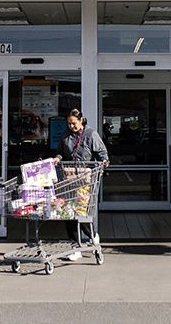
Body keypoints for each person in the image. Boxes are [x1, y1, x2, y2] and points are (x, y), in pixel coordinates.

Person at [56, 108, 109, 261]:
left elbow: (102, 154)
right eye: (69, 124)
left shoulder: (90, 134)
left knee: (80, 212)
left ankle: (92, 236)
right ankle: (75, 246)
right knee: (68, 212)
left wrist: (103, 162)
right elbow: (60, 153)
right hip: (68, 179)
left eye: (74, 123)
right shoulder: (65, 136)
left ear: (81, 121)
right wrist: (57, 158)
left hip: (86, 179)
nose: (71, 126)